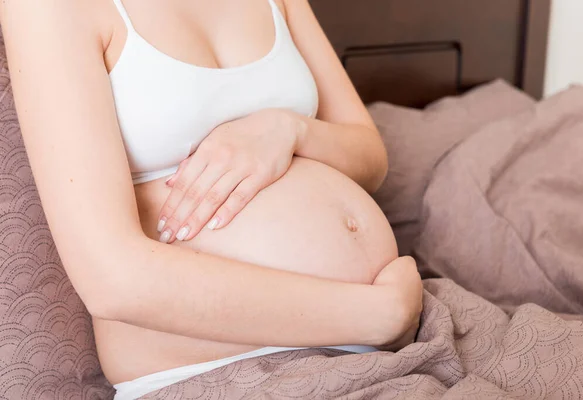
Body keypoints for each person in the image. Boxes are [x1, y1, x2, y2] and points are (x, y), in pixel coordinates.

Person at [0, 0, 423, 398]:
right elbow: (111, 280)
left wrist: (288, 130)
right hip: (223, 371)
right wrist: (375, 314)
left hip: (374, 339)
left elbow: (371, 156)